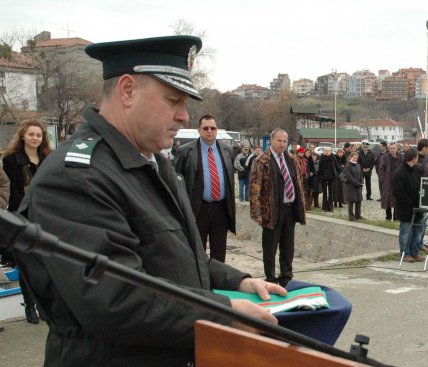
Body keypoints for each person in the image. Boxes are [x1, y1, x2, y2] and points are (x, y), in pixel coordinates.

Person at [13, 36, 285, 366]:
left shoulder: (151, 163)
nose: (185, 116)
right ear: (127, 90)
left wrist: (238, 281)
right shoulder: (76, 177)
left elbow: (178, 257)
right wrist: (223, 313)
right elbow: (114, 300)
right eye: (174, 101)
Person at [1, 119, 52, 324]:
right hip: (22, 217)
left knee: (47, 264)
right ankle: (29, 305)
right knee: (27, 265)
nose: (35, 138)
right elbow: (12, 190)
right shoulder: (12, 160)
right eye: (31, 134)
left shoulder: (49, 157)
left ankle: (45, 305)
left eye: (38, 135)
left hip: (46, 216)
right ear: (23, 135)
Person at [174, 114, 236, 263]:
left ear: (217, 130)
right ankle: (200, 283)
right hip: (198, 209)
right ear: (199, 130)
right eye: (206, 128)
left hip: (221, 209)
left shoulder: (227, 150)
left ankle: (218, 282)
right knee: (197, 251)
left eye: (213, 128)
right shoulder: (185, 152)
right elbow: (176, 180)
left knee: (219, 252)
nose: (209, 131)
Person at [250, 128, 306, 286]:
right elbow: (255, 188)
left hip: (290, 209)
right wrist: (257, 213)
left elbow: (298, 183)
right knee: (270, 247)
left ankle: (286, 276)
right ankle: (270, 278)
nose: (282, 144)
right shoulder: (261, 161)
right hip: (271, 210)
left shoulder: (291, 158)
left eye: (285, 141)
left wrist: (301, 206)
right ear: (271, 141)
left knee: (288, 246)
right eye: (279, 141)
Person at [392, 148, 423, 263]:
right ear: (414, 158)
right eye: (417, 157)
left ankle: (414, 253)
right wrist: (410, 203)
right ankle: (405, 254)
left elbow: (420, 184)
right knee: (406, 232)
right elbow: (398, 192)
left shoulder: (415, 170)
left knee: (417, 230)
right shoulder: (400, 172)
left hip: (417, 207)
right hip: (406, 208)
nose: (418, 159)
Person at [379, 143, 402, 221]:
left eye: (394, 148)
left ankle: (396, 217)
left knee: (397, 199)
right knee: (387, 199)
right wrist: (382, 179)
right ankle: (388, 217)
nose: (393, 150)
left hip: (397, 181)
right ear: (389, 149)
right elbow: (381, 168)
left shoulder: (401, 157)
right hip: (387, 181)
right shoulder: (385, 157)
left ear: (397, 148)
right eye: (391, 148)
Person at [342, 151, 363, 221]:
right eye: (354, 158)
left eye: (356, 158)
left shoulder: (358, 165)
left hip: (358, 185)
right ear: (350, 157)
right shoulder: (347, 166)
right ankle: (351, 216)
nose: (355, 159)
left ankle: (358, 215)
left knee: (358, 201)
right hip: (351, 186)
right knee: (351, 202)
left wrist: (361, 182)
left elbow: (360, 174)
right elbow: (349, 177)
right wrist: (357, 183)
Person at [317, 147, 338, 212]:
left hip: (331, 177)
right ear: (324, 152)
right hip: (323, 177)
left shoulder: (333, 157)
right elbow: (320, 168)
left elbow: (337, 166)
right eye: (325, 150)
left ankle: (330, 207)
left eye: (328, 150)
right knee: (325, 193)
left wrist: (338, 174)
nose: (327, 151)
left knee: (330, 192)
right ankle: (325, 207)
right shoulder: (322, 158)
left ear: (331, 151)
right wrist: (319, 176)